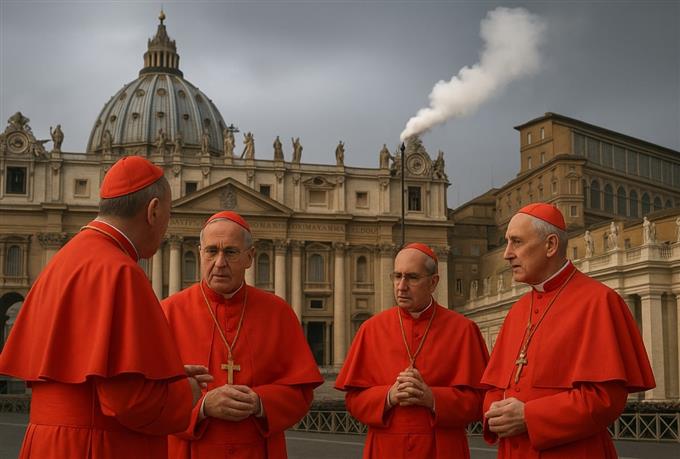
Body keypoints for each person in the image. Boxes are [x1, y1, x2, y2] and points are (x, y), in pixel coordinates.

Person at [0, 156, 210, 459]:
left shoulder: (64, 259)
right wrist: (185, 392)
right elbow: (129, 401)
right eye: (168, 214)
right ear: (153, 211)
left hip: (48, 443)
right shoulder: (120, 271)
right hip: (95, 446)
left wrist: (161, 377)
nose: (166, 227)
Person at [482, 203, 655, 458]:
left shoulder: (599, 302)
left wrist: (530, 416)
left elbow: (606, 398)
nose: (507, 254)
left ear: (551, 245)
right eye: (507, 243)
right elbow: (494, 388)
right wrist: (495, 411)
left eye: (516, 242)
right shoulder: (517, 311)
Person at [161, 210, 323, 458]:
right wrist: (202, 406)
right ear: (200, 253)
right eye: (212, 251)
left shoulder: (278, 312)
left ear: (250, 257)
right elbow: (154, 397)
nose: (220, 263)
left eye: (231, 252)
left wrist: (260, 402)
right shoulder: (168, 312)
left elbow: (300, 393)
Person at [335, 243, 489, 458]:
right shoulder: (371, 329)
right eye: (397, 276)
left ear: (433, 282)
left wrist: (433, 398)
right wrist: (388, 396)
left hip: (443, 448)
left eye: (412, 277)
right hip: (386, 449)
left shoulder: (463, 329)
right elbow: (353, 401)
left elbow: (480, 401)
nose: (401, 286)